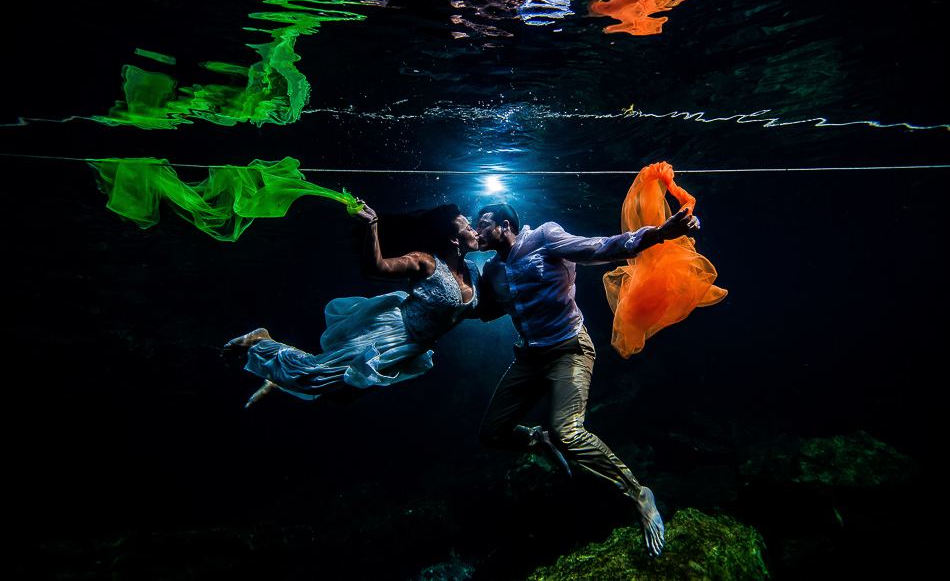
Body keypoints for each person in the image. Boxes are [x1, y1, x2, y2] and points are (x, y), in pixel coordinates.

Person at [473, 202, 700, 557]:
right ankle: (538, 440)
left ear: (504, 225)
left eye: (482, 224)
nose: (476, 230)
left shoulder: (544, 236)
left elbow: (598, 247)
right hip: (530, 357)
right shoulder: (490, 269)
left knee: (568, 431)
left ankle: (638, 493)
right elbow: (483, 311)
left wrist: (656, 235)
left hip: (569, 350)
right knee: (492, 433)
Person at [222, 201, 481, 406]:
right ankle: (262, 341)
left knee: (344, 396)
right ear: (454, 239)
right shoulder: (426, 261)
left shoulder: (474, 271)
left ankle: (280, 380)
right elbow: (376, 268)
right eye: (468, 227)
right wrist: (372, 226)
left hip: (413, 346)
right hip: (390, 333)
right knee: (317, 376)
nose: (475, 230)